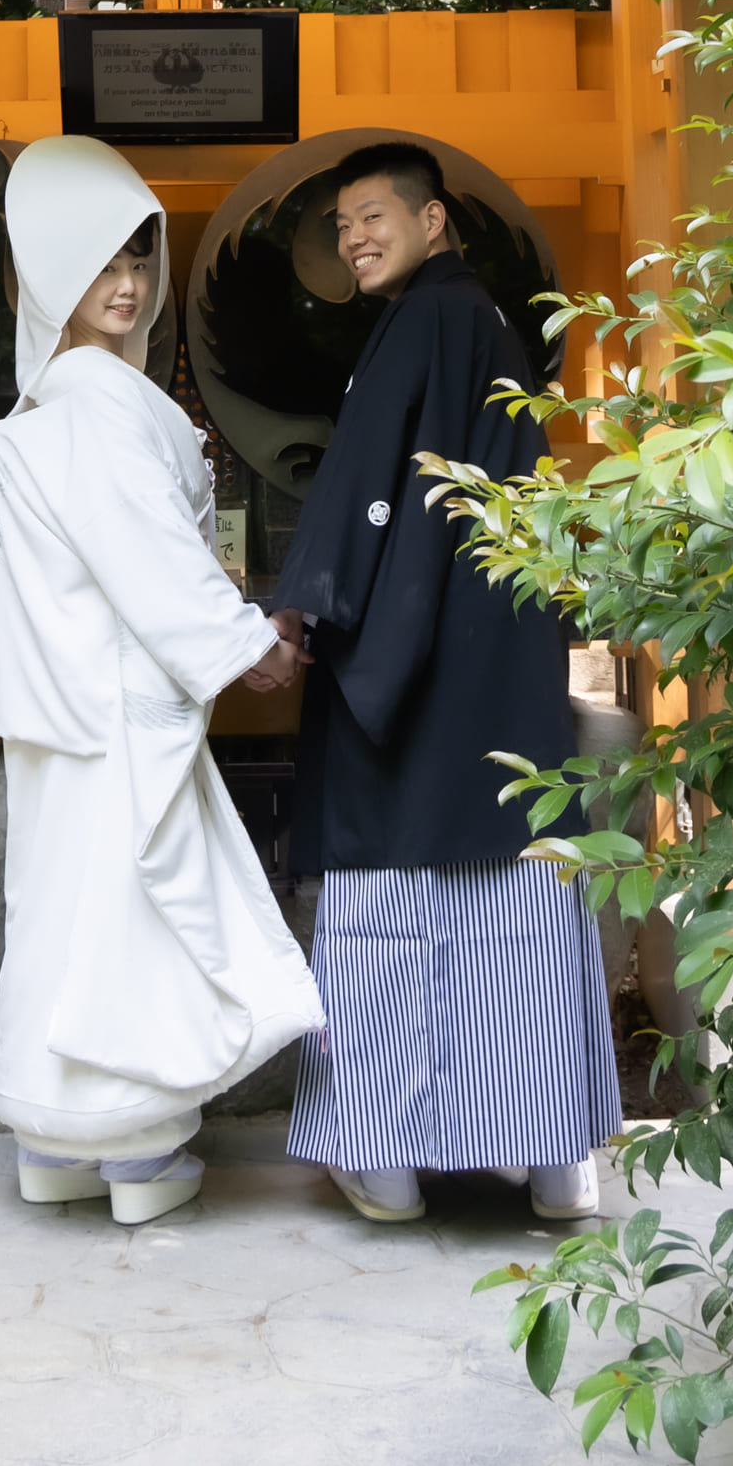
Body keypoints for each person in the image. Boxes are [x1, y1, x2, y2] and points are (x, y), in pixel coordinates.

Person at [269, 141, 620, 1227]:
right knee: (517, 889)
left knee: (386, 896)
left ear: (434, 224)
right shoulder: (487, 325)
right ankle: (551, 1158)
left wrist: (301, 607)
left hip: (417, 670)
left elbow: (368, 479)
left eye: (372, 215)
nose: (353, 238)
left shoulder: (424, 319)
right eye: (338, 227)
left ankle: (382, 1158)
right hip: (495, 658)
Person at [0, 135, 321, 1222]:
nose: (124, 286)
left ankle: (50, 1139)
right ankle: (132, 1150)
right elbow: (152, 564)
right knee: (131, 919)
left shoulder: (37, 413)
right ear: (44, 275)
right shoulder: (97, 407)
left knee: (61, 914)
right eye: (97, 265)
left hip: (58, 709)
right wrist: (245, 646)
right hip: (121, 709)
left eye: (137, 261)